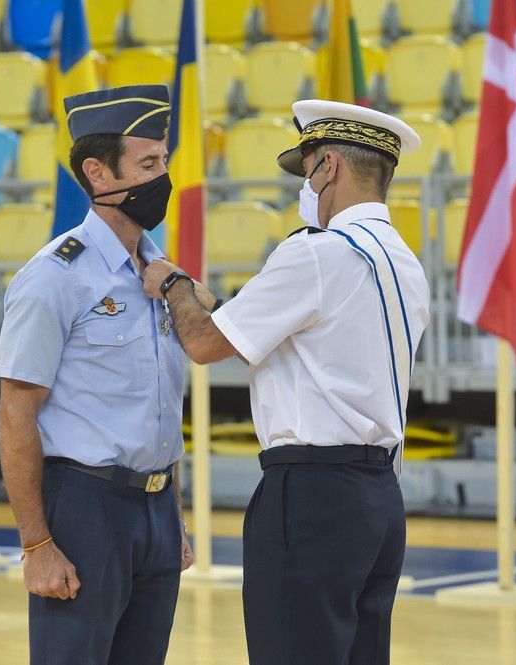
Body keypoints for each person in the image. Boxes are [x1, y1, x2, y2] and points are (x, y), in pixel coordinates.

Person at [143, 100, 431, 665]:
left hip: (311, 495)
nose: (305, 185)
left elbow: (203, 345)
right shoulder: (404, 262)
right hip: (378, 497)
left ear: (329, 167)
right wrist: (217, 306)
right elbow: (310, 344)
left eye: (305, 172)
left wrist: (174, 284)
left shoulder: (318, 253)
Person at [0, 85, 215, 665]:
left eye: (163, 163)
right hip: (84, 508)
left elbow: (160, 405)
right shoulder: (54, 277)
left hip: (155, 508)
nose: (161, 178)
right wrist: (37, 544)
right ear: (97, 172)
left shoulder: (161, 271)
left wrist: (172, 516)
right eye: (147, 164)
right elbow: (16, 410)